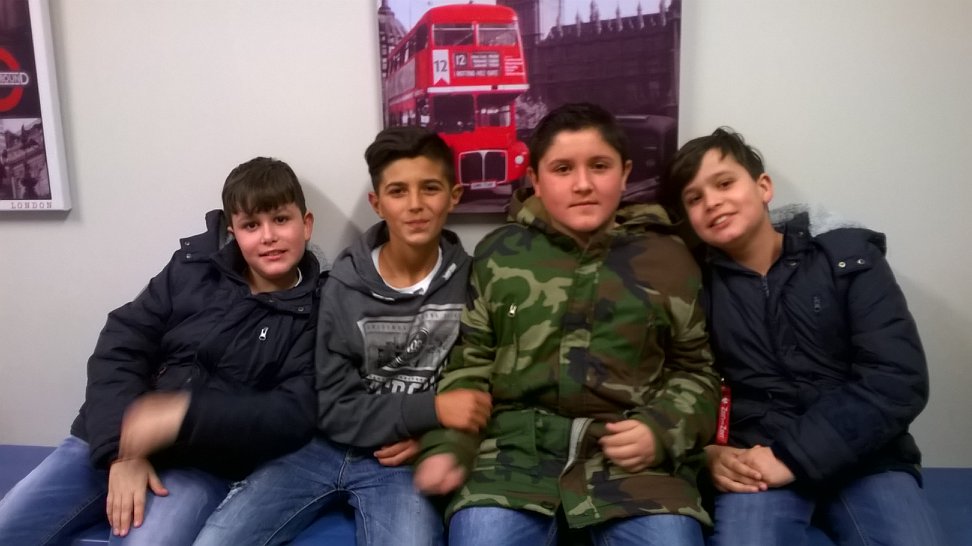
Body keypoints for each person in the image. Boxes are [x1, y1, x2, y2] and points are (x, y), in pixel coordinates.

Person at [413, 103, 720, 546]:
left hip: (636, 470)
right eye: (562, 169)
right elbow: (471, 366)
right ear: (536, 180)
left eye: (599, 166)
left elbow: (697, 372)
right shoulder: (499, 255)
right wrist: (449, 448)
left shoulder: (669, 259)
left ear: (624, 173)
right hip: (511, 462)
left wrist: (661, 429)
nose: (583, 184)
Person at [0, 157, 322, 545]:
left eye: (280, 220)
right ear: (233, 232)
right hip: (111, 437)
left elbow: (291, 413)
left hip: (201, 465)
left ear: (306, 224)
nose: (268, 236)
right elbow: (121, 344)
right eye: (251, 225)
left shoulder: (318, 309)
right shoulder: (191, 268)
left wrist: (182, 416)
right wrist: (120, 453)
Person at [194, 126, 490, 546]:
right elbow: (334, 407)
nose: (416, 205)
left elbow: (474, 389)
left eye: (430, 188)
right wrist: (432, 410)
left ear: (453, 196)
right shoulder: (343, 284)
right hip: (317, 449)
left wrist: (433, 437)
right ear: (377, 203)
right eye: (398, 191)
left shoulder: (475, 282)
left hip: (399, 462)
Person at [662, 127, 944, 545]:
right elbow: (681, 380)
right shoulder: (691, 287)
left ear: (763, 187)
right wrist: (705, 454)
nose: (712, 202)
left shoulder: (848, 259)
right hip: (753, 458)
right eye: (694, 198)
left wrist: (791, 457)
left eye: (724, 183)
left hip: (866, 455)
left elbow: (896, 379)